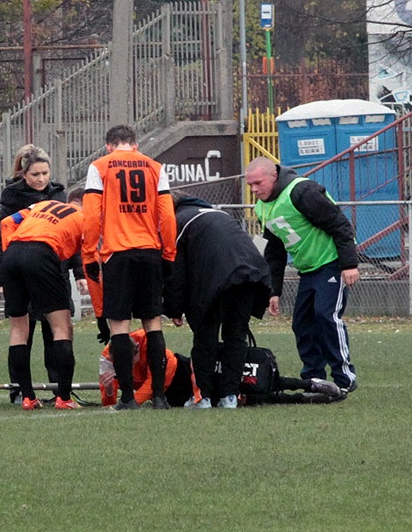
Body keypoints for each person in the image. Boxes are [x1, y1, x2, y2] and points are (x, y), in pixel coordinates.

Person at [245, 156, 360, 396]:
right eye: (250, 186)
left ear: (273, 176)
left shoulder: (302, 191)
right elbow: (274, 252)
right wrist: (273, 291)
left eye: (258, 183)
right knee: (302, 323)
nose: (254, 190)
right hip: (308, 270)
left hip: (331, 263)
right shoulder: (262, 208)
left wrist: (349, 264)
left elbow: (339, 224)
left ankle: (344, 378)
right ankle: (314, 377)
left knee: (326, 315)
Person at [82, 124, 177, 410]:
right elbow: (167, 216)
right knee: (152, 323)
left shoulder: (99, 166)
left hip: (118, 254)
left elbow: (90, 216)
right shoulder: (154, 167)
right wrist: (169, 253)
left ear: (109, 146)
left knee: (119, 326)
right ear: (135, 145)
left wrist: (89, 254)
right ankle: (159, 396)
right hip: (150, 252)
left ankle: (127, 398)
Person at [0, 144, 87, 404]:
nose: (42, 179)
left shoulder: (49, 201)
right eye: (36, 174)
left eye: (45, 173)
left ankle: (28, 397)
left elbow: (7, 224)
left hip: (16, 256)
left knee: (19, 329)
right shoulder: (82, 215)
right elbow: (88, 252)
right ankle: (63, 397)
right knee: (61, 326)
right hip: (43, 258)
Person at [162, 194, 272, 409]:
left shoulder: (178, 222)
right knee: (236, 336)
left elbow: (176, 271)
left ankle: (201, 397)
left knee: (205, 337)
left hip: (217, 280)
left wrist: (173, 309)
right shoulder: (220, 214)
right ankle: (230, 396)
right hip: (251, 276)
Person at [99, 330, 342, 408]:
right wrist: (110, 390)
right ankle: (303, 398)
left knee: (244, 384)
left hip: (186, 377)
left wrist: (132, 400)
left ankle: (309, 384)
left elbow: (154, 383)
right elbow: (108, 400)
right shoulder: (110, 355)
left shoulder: (149, 343)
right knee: (249, 400)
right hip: (176, 396)